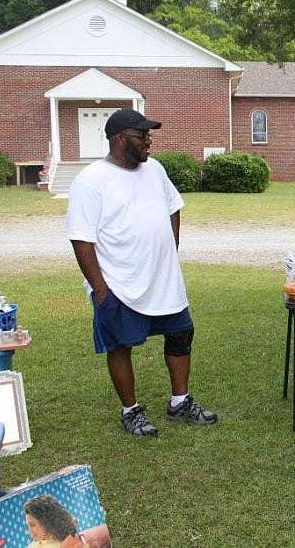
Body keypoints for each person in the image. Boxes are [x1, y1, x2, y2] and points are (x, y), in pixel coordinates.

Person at [67, 109, 217, 437]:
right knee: (120, 345)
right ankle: (130, 410)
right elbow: (81, 237)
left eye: (150, 136)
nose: (149, 142)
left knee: (181, 335)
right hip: (119, 282)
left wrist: (169, 250)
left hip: (163, 279)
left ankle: (179, 402)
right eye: (143, 136)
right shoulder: (91, 181)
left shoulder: (155, 170)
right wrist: (100, 288)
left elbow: (172, 206)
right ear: (120, 139)